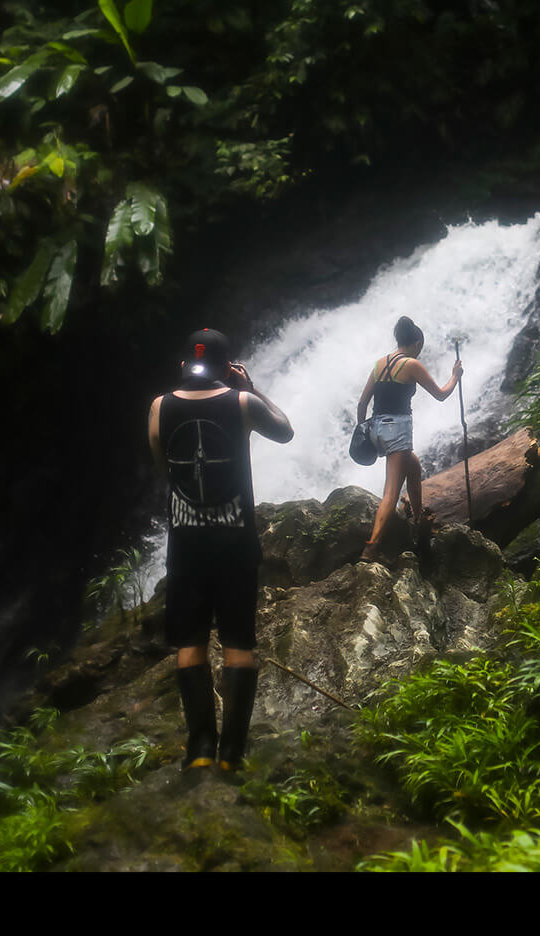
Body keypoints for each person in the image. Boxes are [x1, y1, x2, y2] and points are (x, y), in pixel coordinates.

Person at [147, 328, 294, 774]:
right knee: (239, 644)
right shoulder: (241, 402)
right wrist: (248, 387)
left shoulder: (158, 407)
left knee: (189, 645)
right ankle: (232, 754)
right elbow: (286, 431)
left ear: (184, 365)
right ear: (227, 367)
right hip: (234, 541)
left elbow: (164, 466)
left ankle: (199, 749)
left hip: (187, 543)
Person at [354, 316, 461, 564]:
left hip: (375, 429)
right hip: (397, 431)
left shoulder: (380, 363)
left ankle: (417, 521)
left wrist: (363, 430)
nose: (420, 352)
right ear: (416, 343)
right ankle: (371, 548)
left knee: (413, 466)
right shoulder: (412, 364)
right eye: (420, 348)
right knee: (391, 492)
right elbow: (441, 394)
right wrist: (455, 376)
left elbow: (362, 403)